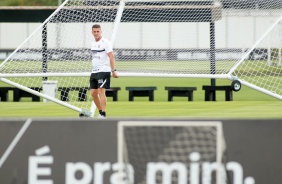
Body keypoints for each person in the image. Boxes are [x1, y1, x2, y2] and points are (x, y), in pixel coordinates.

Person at [90, 24, 118, 118]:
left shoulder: (105, 42)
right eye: (94, 31)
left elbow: (111, 56)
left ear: (101, 32)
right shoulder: (92, 43)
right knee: (93, 93)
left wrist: (113, 70)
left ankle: (103, 114)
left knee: (101, 91)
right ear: (92, 32)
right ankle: (100, 111)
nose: (96, 33)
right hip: (94, 71)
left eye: (98, 31)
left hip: (104, 70)